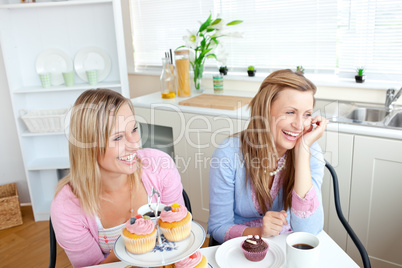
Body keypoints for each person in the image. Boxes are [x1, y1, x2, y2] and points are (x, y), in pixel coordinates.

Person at [51, 89, 184, 267]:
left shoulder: (160, 166)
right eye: (118, 137)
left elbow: (179, 236)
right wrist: (131, 243)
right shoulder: (67, 206)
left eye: (134, 129)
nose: (135, 144)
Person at [208, 69, 329, 244]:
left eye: (307, 114)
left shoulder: (310, 150)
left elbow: (309, 232)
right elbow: (218, 228)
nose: (299, 125)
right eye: (290, 112)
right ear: (265, 111)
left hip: (285, 246)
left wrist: (302, 152)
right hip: (239, 248)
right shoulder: (228, 154)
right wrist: (258, 231)